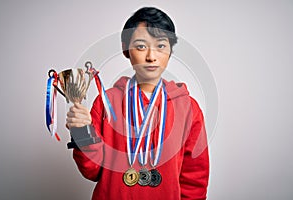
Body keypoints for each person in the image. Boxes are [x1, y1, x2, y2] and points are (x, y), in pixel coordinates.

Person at [66, 7, 209, 200]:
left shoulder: (188, 108)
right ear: (126, 49)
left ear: (170, 51)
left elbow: (195, 179)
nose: (151, 56)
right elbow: (92, 171)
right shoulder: (106, 102)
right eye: (141, 46)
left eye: (161, 46)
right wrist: (82, 132)